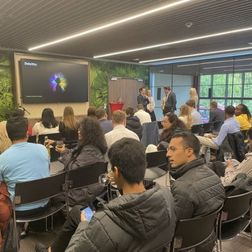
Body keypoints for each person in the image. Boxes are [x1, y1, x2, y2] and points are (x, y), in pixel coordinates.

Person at [36, 138, 176, 252]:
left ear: (116, 171)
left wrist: (84, 225)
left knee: (84, 214)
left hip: (104, 229)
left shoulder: (102, 223)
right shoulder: (167, 197)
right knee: (77, 211)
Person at [167, 132, 225, 251]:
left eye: (173, 149)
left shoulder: (183, 187)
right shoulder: (214, 176)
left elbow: (173, 229)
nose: (168, 154)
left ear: (189, 152)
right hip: (208, 240)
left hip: (189, 247)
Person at [0, 116, 50, 214]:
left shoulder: (2, 158)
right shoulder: (43, 149)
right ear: (27, 133)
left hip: (18, 210)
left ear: (9, 136)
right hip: (44, 205)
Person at [56, 117, 107, 206]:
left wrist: (64, 154)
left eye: (81, 129)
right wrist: (65, 151)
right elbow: (73, 152)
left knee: (49, 193)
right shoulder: (91, 146)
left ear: (89, 133)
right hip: (84, 187)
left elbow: (73, 169)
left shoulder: (90, 151)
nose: (78, 131)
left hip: (82, 193)